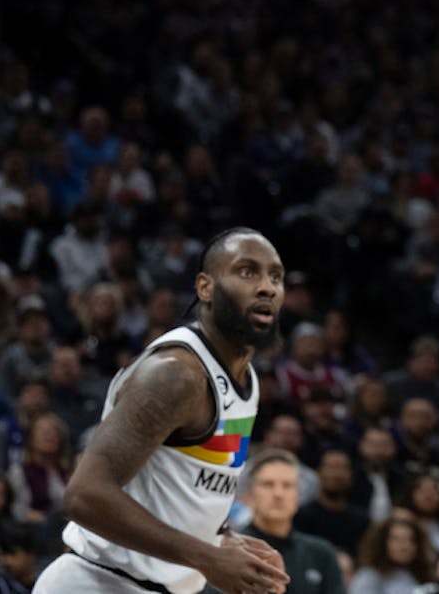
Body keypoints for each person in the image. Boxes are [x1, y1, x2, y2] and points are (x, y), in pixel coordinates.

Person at [34, 226, 291, 594]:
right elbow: (84, 495)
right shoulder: (177, 374)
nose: (267, 286)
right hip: (97, 582)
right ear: (205, 287)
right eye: (247, 272)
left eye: (276, 276)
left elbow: (178, 491)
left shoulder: (244, 378)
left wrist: (222, 541)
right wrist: (206, 557)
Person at [241, 448, 345, 594]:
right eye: (268, 484)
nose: (278, 494)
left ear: (298, 497)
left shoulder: (321, 553)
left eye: (287, 485)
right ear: (249, 495)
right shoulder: (231, 551)